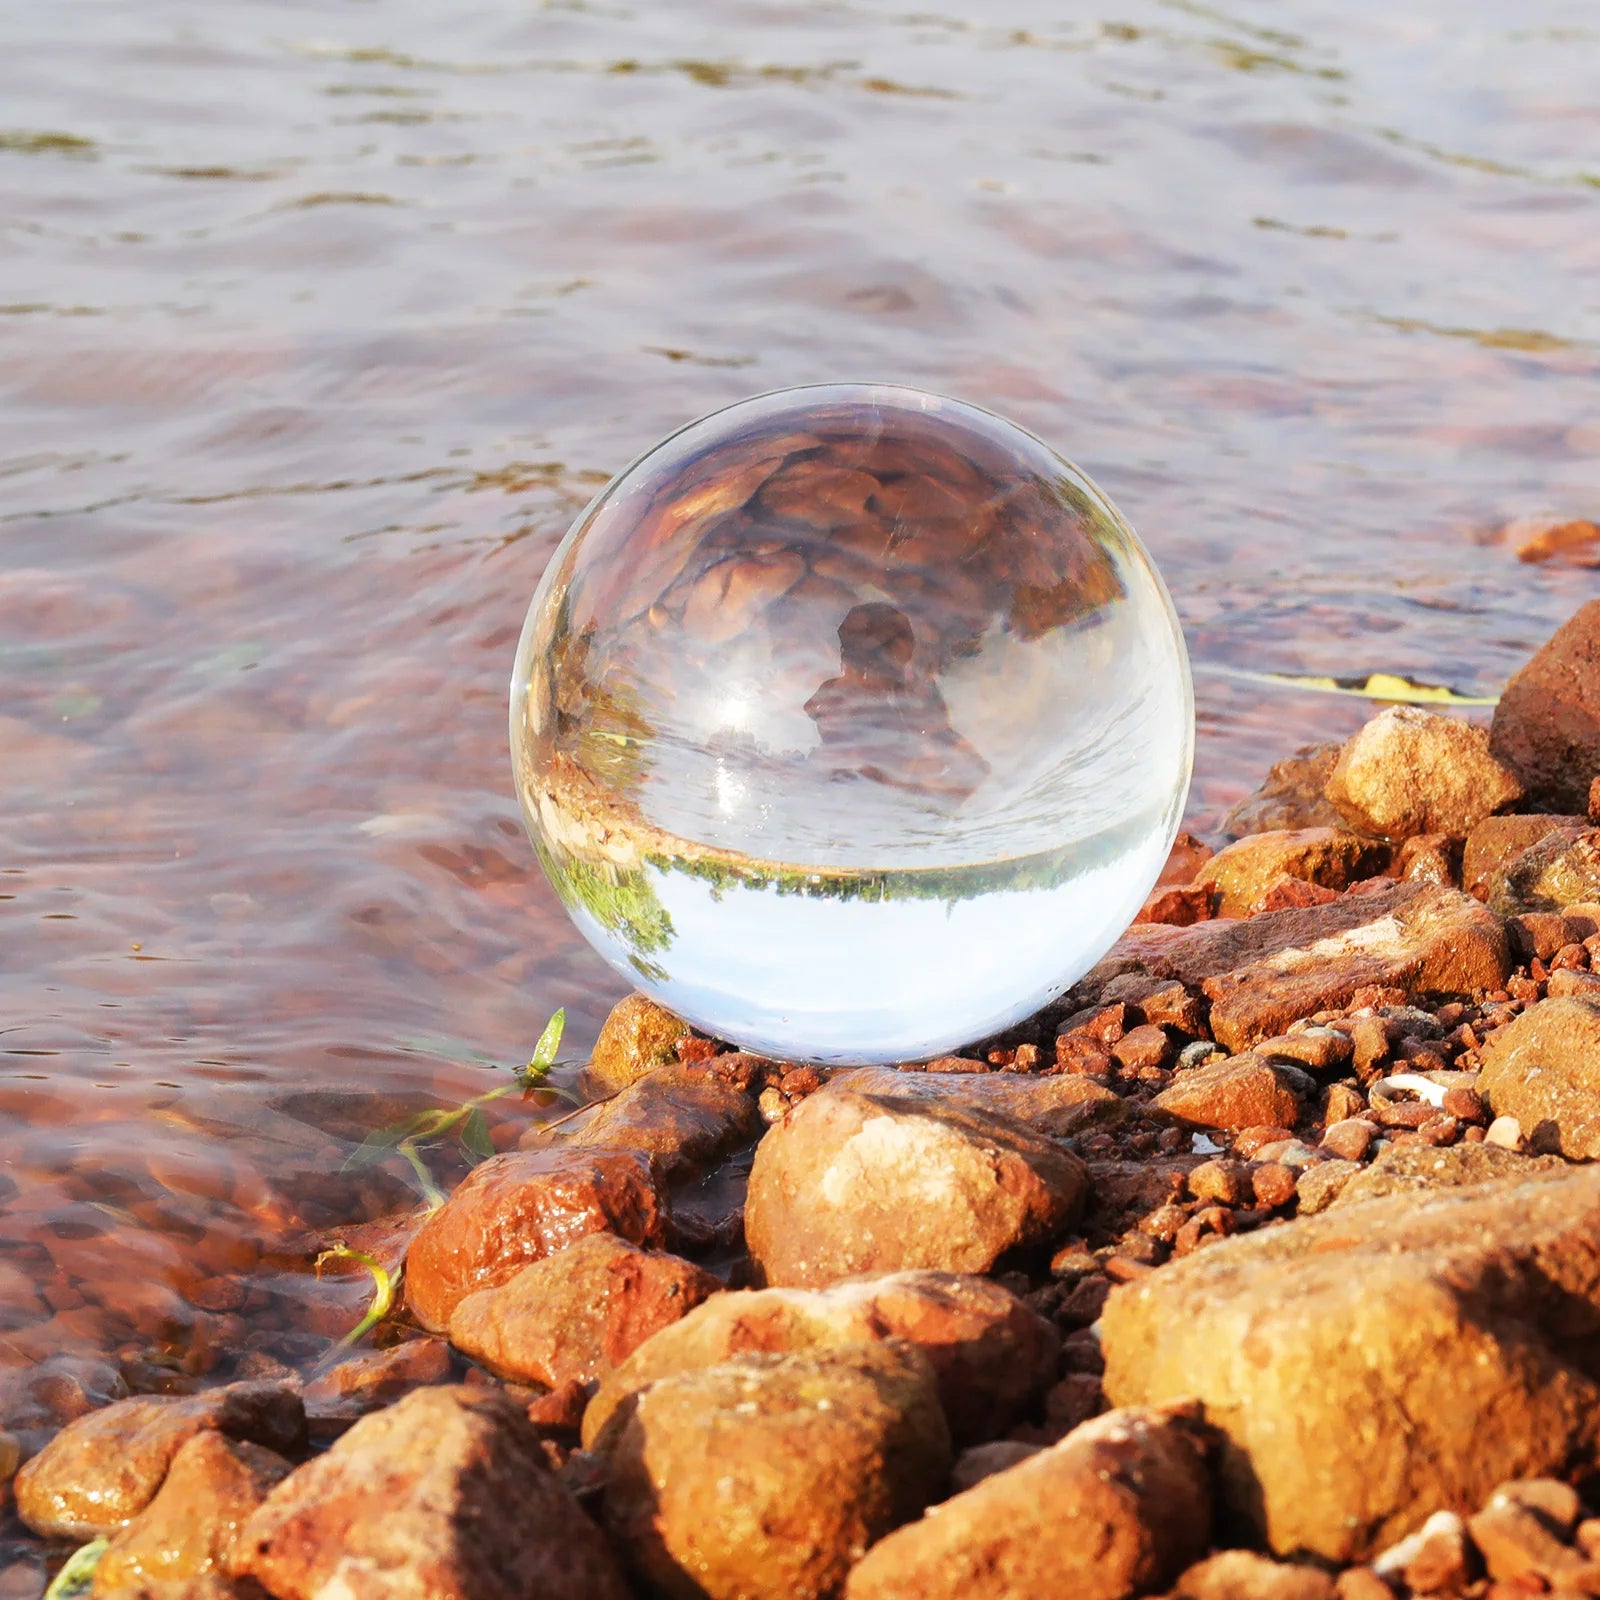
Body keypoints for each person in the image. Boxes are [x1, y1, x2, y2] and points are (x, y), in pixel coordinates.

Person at [804, 602, 988, 804]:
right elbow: (970, 765)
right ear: (901, 649)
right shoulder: (904, 695)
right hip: (869, 787)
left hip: (845, 782)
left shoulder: (834, 690)